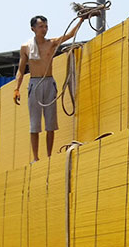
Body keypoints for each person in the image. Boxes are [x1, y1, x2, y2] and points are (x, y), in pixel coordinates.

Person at [14, 14, 87, 163]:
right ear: (33, 29)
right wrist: (17, 88)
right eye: (41, 26)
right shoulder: (26, 47)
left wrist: (81, 19)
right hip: (35, 84)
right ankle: (35, 157)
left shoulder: (51, 43)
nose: (44, 29)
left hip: (49, 83)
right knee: (34, 124)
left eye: (46, 26)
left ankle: (49, 156)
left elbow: (70, 35)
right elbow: (21, 69)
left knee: (50, 122)